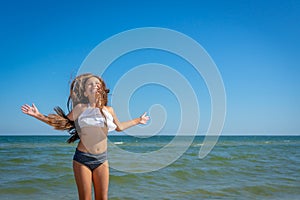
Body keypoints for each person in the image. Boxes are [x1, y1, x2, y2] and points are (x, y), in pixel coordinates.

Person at [21, 73, 149, 200]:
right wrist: (38, 115)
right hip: (82, 159)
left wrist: (139, 120)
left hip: (102, 159)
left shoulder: (109, 110)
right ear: (86, 93)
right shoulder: (81, 108)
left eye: (97, 84)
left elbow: (119, 127)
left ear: (102, 90)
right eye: (90, 84)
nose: (94, 86)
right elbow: (62, 123)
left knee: (102, 198)